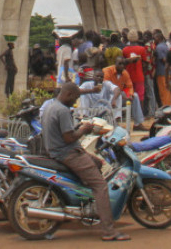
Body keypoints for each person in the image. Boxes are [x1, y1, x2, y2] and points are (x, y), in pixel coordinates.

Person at [40, 82, 129, 241]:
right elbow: (69, 138)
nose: (75, 102)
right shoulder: (62, 110)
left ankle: (90, 203)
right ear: (68, 95)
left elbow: (65, 132)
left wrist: (79, 126)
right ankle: (109, 231)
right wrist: (84, 130)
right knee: (100, 186)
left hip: (58, 151)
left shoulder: (51, 106)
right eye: (75, 98)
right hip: (68, 153)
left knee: (98, 163)